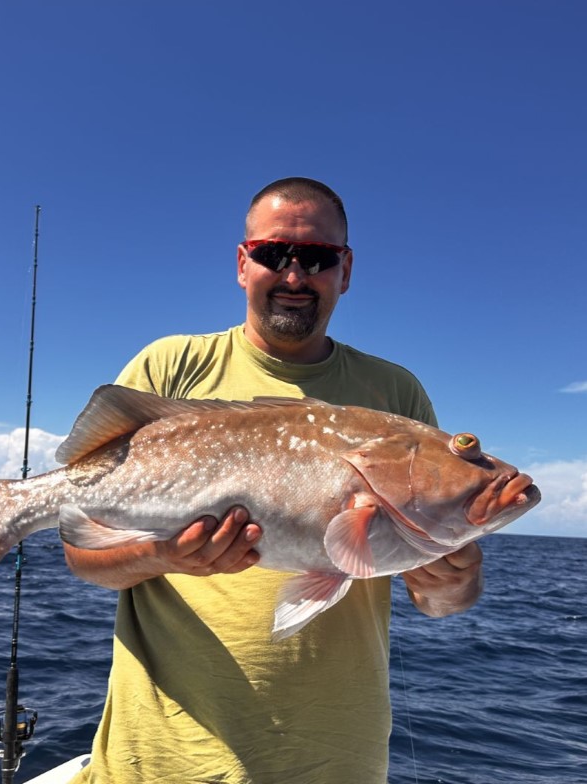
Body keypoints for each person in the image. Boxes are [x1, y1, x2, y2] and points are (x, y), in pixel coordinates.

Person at [64, 177, 483, 783]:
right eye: (273, 253)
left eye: (316, 257)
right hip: (163, 758)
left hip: (336, 761)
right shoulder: (170, 366)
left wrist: (455, 580)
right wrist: (164, 555)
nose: (293, 274)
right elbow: (83, 557)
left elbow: (439, 602)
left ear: (345, 270)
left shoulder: (395, 393)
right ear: (243, 263)